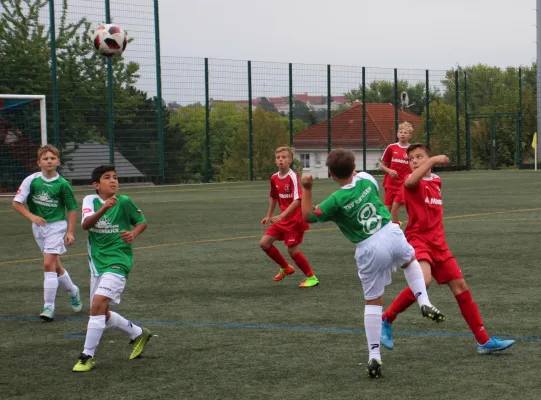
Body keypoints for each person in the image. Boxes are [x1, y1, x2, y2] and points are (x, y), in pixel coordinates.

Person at [300, 149, 445, 378]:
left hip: (368, 247)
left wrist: (307, 188)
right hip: (390, 232)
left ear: (331, 174)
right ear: (353, 167)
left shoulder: (335, 201)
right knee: (410, 261)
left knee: (373, 302)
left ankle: (374, 355)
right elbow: (373, 192)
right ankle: (424, 301)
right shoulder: (367, 179)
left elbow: (308, 215)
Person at [380, 144, 515, 355]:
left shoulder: (436, 181)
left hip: (439, 244)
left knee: (460, 287)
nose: (414, 161)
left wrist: (430, 164)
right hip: (418, 241)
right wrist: (432, 161)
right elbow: (409, 181)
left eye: (419, 157)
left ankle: (483, 340)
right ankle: (386, 319)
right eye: (411, 159)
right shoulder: (410, 183)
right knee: (423, 282)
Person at [73, 165, 152, 372]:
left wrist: (133, 234)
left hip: (119, 261)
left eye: (115, 177)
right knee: (101, 312)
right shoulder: (90, 201)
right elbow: (85, 225)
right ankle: (137, 333)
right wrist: (104, 208)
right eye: (107, 178)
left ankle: (86, 356)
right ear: (96, 185)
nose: (113, 181)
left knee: (98, 305)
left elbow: (141, 222)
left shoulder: (124, 201)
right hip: (97, 264)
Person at [12, 144, 82, 321]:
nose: (49, 161)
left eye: (52, 158)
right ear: (39, 163)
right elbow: (16, 203)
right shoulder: (31, 180)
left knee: (47, 264)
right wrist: (31, 216)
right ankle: (73, 290)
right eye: (45, 158)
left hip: (57, 226)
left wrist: (70, 231)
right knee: (54, 265)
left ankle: (48, 307)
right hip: (39, 227)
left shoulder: (63, 184)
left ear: (58, 162)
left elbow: (72, 208)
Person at [260, 147, 319, 288]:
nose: (280, 159)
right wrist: (269, 215)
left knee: (292, 251)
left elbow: (298, 200)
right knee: (264, 244)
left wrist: (281, 215)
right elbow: (274, 197)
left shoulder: (292, 177)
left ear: (290, 160)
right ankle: (286, 268)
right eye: (278, 157)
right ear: (275, 161)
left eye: (284, 157)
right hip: (283, 219)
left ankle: (312, 278)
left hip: (295, 220)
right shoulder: (274, 178)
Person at [379, 121, 414, 226]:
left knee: (394, 208)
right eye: (400, 132)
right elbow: (382, 165)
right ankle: (387, 229)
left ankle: (395, 231)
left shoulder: (412, 149)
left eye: (405, 132)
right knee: (387, 209)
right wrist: (389, 171)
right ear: (397, 134)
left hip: (403, 185)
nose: (402, 134)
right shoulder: (391, 147)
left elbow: (416, 167)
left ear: (410, 135)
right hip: (390, 184)